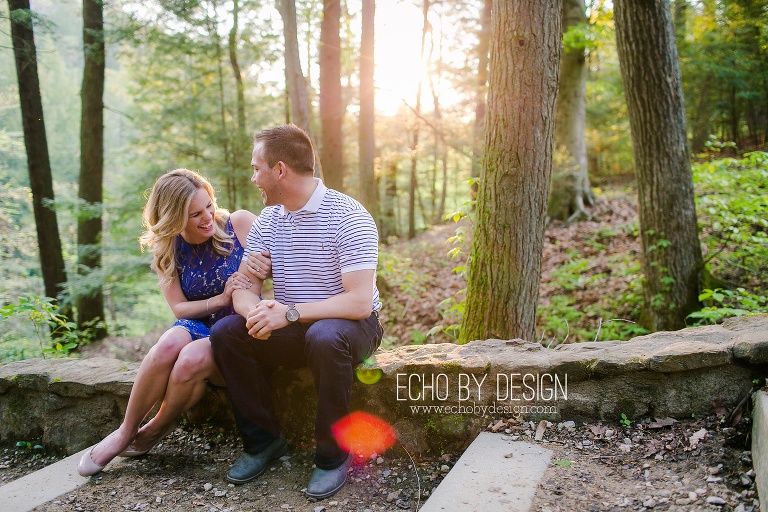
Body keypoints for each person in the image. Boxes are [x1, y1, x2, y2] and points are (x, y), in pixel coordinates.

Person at [210, 124, 383, 500]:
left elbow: (359, 303)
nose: (253, 177)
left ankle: (331, 456)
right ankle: (264, 443)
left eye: (257, 168)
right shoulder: (268, 221)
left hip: (352, 326)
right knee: (226, 332)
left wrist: (286, 313)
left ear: (280, 169)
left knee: (325, 335)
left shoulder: (348, 217)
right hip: (295, 325)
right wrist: (254, 311)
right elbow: (243, 288)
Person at [78, 168, 271, 476]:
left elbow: (280, 265)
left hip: (236, 331)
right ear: (173, 217)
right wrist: (219, 299)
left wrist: (265, 267)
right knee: (169, 342)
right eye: (195, 214)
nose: (207, 217)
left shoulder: (241, 223)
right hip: (200, 322)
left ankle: (154, 429)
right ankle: (126, 431)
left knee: (190, 360)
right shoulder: (169, 247)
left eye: (208, 206)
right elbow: (179, 308)